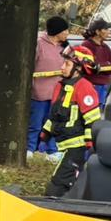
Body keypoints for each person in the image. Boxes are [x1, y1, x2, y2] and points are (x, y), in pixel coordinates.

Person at [41, 46, 102, 197]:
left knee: (58, 185)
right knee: (68, 182)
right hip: (64, 144)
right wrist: (46, 132)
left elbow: (92, 119)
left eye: (67, 64)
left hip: (77, 146)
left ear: (79, 68)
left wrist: (89, 143)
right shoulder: (61, 86)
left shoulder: (84, 87)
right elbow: (55, 114)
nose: (62, 67)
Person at [28, 16, 69, 160]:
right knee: (35, 123)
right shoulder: (39, 44)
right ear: (57, 31)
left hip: (57, 93)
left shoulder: (65, 48)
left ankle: (52, 151)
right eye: (65, 30)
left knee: (54, 124)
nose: (67, 33)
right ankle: (29, 149)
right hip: (38, 93)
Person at [81, 18, 111, 107]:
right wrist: (105, 66)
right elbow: (88, 67)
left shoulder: (106, 47)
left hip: (104, 86)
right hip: (91, 85)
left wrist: (101, 67)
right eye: (106, 29)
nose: (109, 32)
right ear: (97, 31)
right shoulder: (86, 45)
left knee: (99, 112)